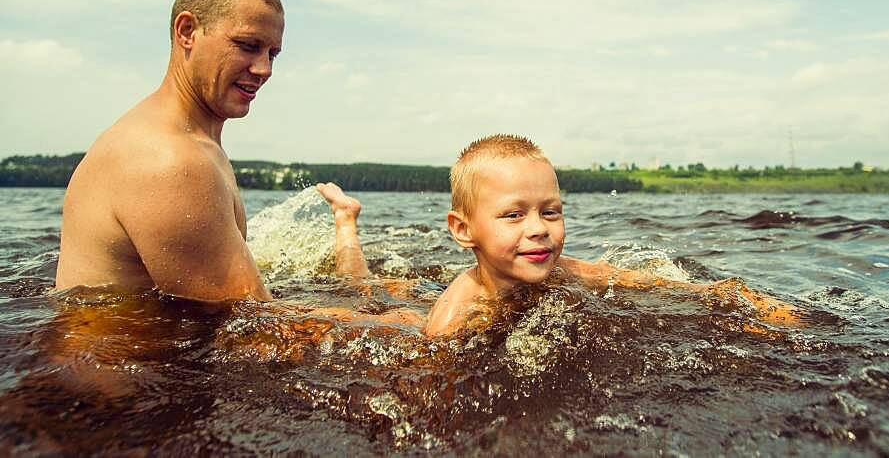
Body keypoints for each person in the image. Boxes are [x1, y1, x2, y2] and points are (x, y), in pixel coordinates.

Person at [316, 134, 802, 338]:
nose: (539, 230)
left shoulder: (562, 269)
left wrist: (734, 300)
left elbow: (640, 282)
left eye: (551, 211)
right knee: (365, 296)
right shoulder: (455, 316)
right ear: (464, 230)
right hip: (413, 317)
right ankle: (346, 222)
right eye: (513, 215)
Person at [56, 0, 283, 301]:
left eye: (272, 54)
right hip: (122, 354)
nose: (264, 69)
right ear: (187, 31)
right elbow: (256, 331)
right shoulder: (168, 159)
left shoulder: (193, 141)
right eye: (247, 45)